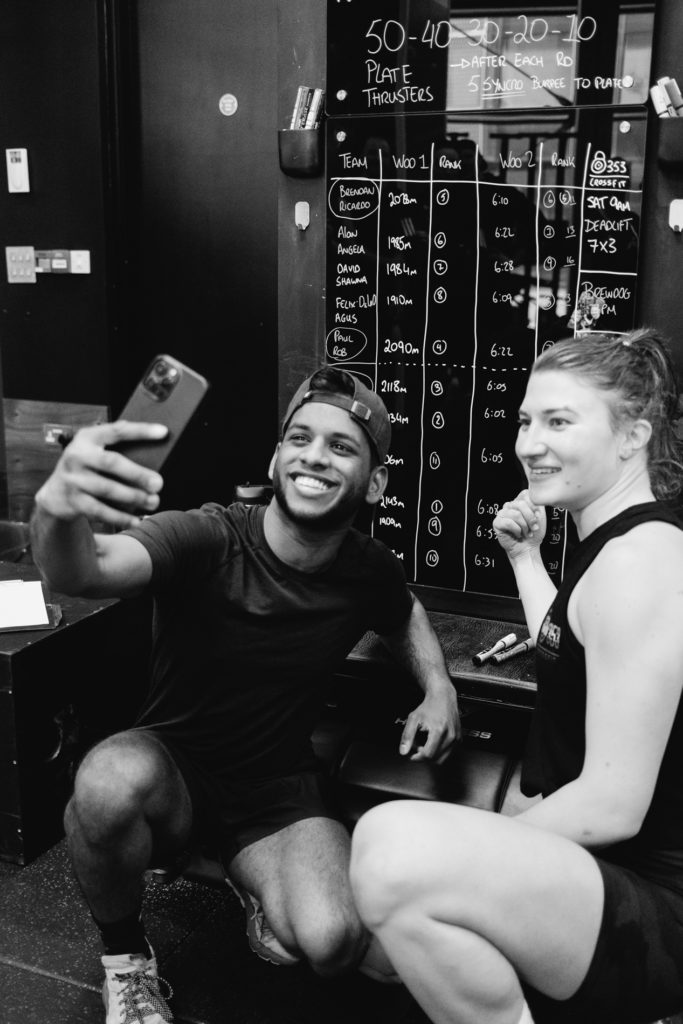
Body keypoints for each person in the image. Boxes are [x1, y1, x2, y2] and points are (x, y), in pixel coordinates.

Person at [30, 365, 460, 1024]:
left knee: (332, 941)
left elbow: (403, 614)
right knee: (105, 784)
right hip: (173, 771)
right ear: (275, 456)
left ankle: (248, 880)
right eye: (299, 439)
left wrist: (437, 687)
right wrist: (55, 511)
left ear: (373, 483)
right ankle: (126, 960)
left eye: (340, 447)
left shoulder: (365, 567)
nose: (313, 455)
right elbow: (82, 572)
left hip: (273, 787)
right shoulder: (208, 536)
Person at [349, 327, 683, 1024]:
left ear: (632, 437)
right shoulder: (615, 544)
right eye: (526, 420)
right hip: (609, 878)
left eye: (559, 421)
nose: (529, 442)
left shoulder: (640, 560)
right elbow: (568, 648)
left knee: (389, 855)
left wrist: (478, 846)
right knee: (389, 931)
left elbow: (612, 804)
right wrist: (526, 560)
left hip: (655, 909)